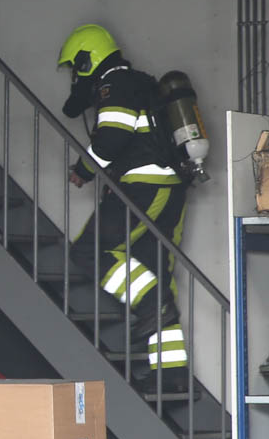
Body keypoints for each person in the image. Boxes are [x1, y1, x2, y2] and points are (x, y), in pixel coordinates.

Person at [58, 23, 187, 373]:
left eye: (75, 68)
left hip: (143, 186)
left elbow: (112, 138)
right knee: (153, 269)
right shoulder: (140, 83)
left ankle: (154, 306)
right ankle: (171, 374)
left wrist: (83, 171)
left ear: (87, 60)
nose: (75, 77)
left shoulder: (116, 85)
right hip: (167, 188)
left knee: (90, 251)